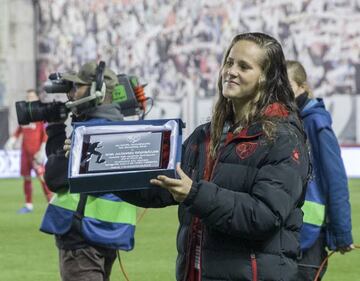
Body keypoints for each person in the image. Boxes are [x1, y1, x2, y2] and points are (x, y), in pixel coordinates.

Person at [115, 32, 310, 281]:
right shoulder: (206, 135)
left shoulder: (283, 138)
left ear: (265, 78)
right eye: (229, 62)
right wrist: (101, 173)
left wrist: (194, 194)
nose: (231, 71)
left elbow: (263, 216)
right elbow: (161, 186)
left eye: (244, 66)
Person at [40, 61, 137, 281]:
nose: (72, 94)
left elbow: (55, 176)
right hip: (108, 231)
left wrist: (56, 128)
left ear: (98, 91)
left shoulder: (90, 134)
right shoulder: (122, 131)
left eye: (78, 87)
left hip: (82, 233)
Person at [286, 60, 354, 281]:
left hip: (308, 237)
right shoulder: (284, 122)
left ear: (302, 87)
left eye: (286, 85)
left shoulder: (316, 123)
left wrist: (342, 234)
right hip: (283, 232)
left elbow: (336, 180)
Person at [5, 89, 52, 213]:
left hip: (36, 153)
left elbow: (45, 134)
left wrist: (42, 150)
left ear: (36, 99)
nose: (29, 99)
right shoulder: (24, 115)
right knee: (26, 178)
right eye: (28, 97)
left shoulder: (41, 116)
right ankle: (28, 205)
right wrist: (12, 140)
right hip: (25, 153)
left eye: (32, 97)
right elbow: (19, 131)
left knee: (42, 177)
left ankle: (51, 202)